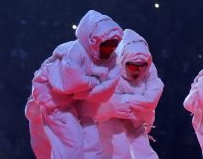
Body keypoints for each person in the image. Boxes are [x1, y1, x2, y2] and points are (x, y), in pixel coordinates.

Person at [25, 9, 123, 158]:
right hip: (55, 100)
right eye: (106, 44)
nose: (110, 49)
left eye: (114, 45)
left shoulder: (112, 60)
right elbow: (71, 83)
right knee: (72, 142)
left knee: (91, 140)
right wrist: (94, 81)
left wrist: (86, 88)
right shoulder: (75, 51)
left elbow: (106, 90)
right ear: (93, 40)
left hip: (83, 102)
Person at [96, 29, 164, 158]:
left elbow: (150, 100)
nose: (138, 70)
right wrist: (132, 102)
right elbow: (106, 101)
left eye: (142, 65)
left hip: (136, 118)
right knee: (118, 149)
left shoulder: (150, 71)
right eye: (132, 66)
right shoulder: (110, 67)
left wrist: (124, 101)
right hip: (111, 118)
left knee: (144, 151)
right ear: (123, 60)